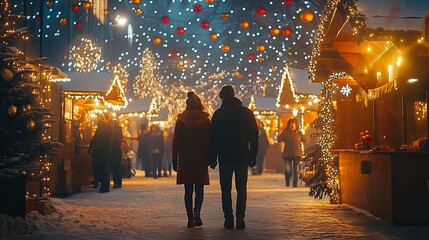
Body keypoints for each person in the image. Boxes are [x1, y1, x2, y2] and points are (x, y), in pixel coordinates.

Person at [209, 85, 259, 229]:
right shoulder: (247, 113)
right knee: (241, 188)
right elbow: (254, 137)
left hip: (225, 157)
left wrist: (212, 157)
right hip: (242, 155)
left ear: (222, 97)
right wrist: (253, 154)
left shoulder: (218, 114)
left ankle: (228, 218)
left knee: (225, 189)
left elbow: (214, 138)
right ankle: (240, 217)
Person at [172, 91, 211, 228]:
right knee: (199, 188)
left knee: (188, 190)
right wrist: (210, 158)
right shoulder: (206, 121)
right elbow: (209, 141)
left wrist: (174, 158)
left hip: (186, 158)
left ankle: (190, 218)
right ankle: (197, 213)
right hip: (201, 158)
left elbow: (176, 141)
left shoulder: (181, 121)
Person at [88, 113, 114, 193]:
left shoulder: (101, 129)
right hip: (106, 151)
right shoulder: (110, 128)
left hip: (99, 151)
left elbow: (95, 139)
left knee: (100, 169)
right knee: (105, 168)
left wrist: (90, 148)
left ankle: (103, 186)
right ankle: (105, 185)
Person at [278, 117, 307, 187]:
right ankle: (287, 181)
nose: (292, 126)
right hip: (287, 154)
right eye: (291, 125)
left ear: (296, 125)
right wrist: (285, 130)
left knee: (295, 170)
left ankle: (295, 183)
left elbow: (305, 139)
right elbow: (279, 139)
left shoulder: (299, 133)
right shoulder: (286, 132)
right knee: (288, 169)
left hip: (296, 154)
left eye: (293, 125)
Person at [110, 119, 123, 188]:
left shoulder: (111, 129)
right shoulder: (119, 129)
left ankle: (116, 182)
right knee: (117, 166)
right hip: (118, 149)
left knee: (114, 167)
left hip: (113, 149)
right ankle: (119, 182)